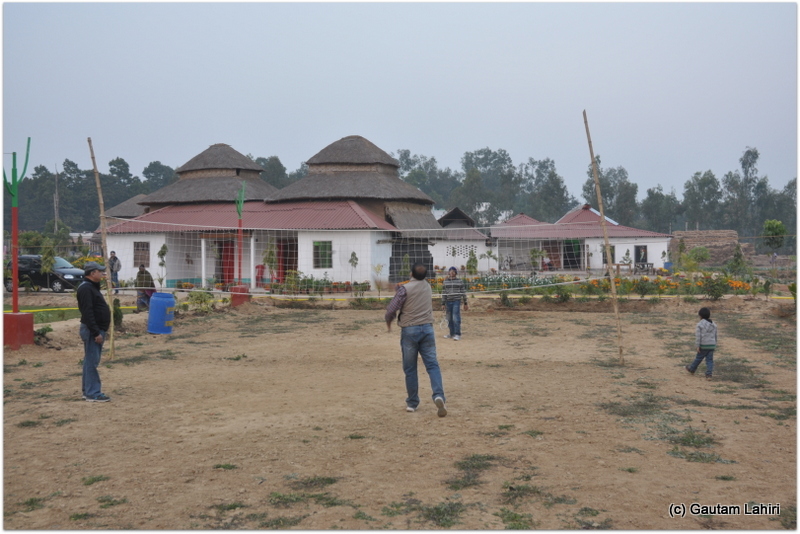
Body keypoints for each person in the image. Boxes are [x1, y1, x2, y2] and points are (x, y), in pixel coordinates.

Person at [385, 263, 447, 417]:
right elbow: (409, 287)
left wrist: (389, 321)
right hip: (427, 329)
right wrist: (398, 287)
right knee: (432, 365)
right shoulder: (427, 286)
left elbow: (392, 308)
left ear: (411, 273)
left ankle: (412, 403)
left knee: (410, 368)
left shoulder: (404, 289)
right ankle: (438, 395)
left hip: (410, 330)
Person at [77, 262, 111, 402]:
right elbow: (87, 312)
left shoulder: (91, 287)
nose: (103, 273)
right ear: (92, 273)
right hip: (93, 331)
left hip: (95, 329)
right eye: (100, 271)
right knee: (92, 362)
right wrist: (96, 332)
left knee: (89, 362)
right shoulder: (86, 289)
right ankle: (93, 393)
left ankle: (88, 391)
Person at [685, 307, 717, 380]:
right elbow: (715, 335)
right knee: (709, 360)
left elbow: (698, 336)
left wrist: (697, 346)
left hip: (703, 345)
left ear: (700, 316)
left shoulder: (700, 325)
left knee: (698, 358)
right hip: (712, 345)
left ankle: (692, 369)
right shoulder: (714, 324)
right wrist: (715, 344)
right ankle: (709, 374)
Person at [441, 266, 468, 341]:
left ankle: (457, 334)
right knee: (449, 318)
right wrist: (443, 303)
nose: (452, 273)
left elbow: (463, 292)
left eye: (453, 271)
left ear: (456, 273)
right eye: (450, 271)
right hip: (448, 301)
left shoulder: (459, 281)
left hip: (456, 301)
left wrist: (465, 303)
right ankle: (451, 333)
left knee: (455, 317)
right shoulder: (445, 282)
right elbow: (444, 293)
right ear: (448, 272)